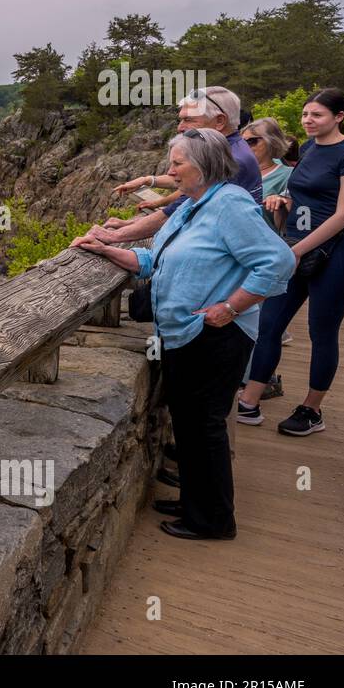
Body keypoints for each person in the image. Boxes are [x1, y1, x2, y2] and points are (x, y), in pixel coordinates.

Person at [72, 129, 293, 540]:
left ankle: (212, 520)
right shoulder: (195, 204)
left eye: (177, 164)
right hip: (187, 333)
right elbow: (153, 258)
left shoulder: (229, 205)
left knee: (205, 426)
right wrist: (106, 248)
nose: (169, 171)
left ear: (204, 166)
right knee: (189, 423)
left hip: (215, 335)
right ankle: (195, 500)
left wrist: (230, 308)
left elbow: (277, 262)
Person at [238, 88, 344, 436]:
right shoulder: (308, 149)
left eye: (317, 115)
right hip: (297, 245)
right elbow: (303, 193)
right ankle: (249, 402)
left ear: (339, 117)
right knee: (269, 323)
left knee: (321, 330)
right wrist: (281, 198)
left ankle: (311, 409)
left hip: (340, 250)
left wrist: (299, 248)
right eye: (305, 115)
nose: (308, 121)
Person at [95, 87, 262, 243]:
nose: (180, 128)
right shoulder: (229, 149)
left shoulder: (229, 161)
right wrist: (147, 180)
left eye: (188, 120)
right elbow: (190, 178)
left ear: (219, 121)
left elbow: (176, 211)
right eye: (181, 119)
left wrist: (113, 236)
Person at [243, 117, 293, 232]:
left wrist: (279, 202)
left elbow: (289, 223)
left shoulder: (289, 175)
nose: (245, 147)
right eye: (242, 142)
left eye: (251, 141)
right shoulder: (234, 173)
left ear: (272, 141)